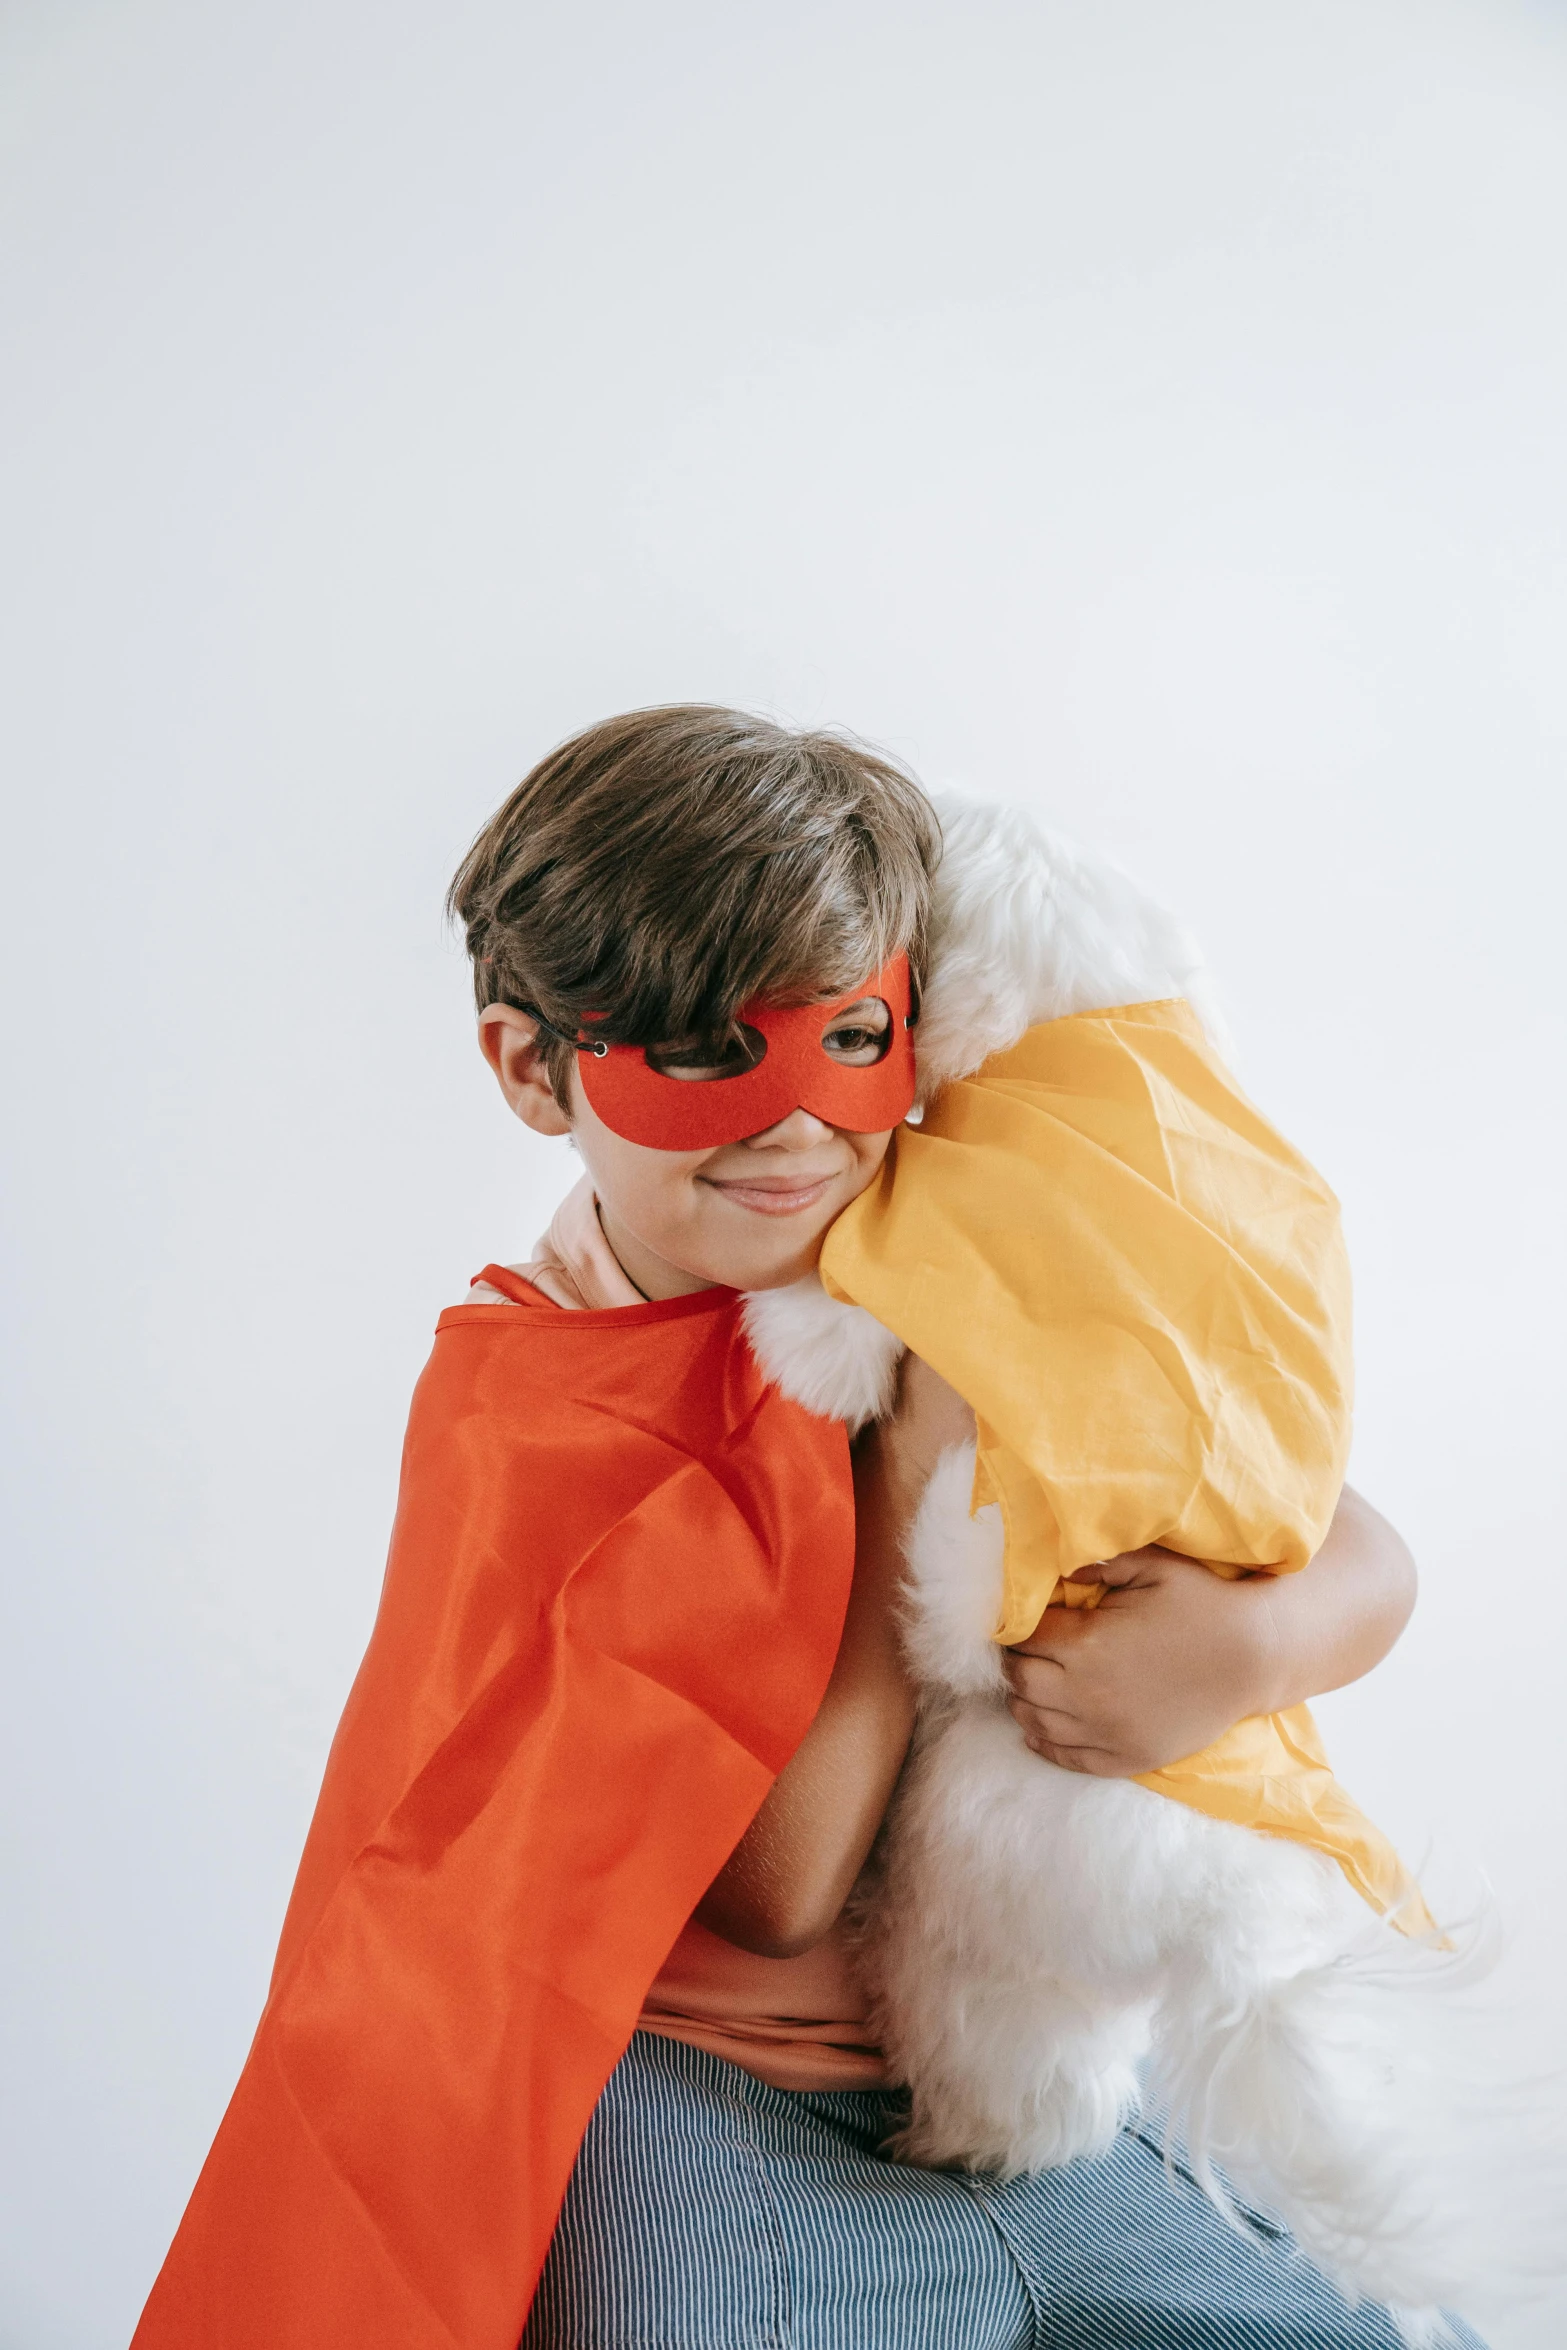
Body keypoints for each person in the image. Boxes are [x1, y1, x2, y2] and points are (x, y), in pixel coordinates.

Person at [130, 705, 1466, 2350]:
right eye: (700, 1057)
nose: (790, 1128)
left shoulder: (959, 1240)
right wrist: (905, 1471)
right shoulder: (535, 1393)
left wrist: (1250, 1641)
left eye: (847, 1042)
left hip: (1019, 2086)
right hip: (708, 2106)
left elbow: (1333, 1526)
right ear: (533, 1068)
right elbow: (773, 1887)